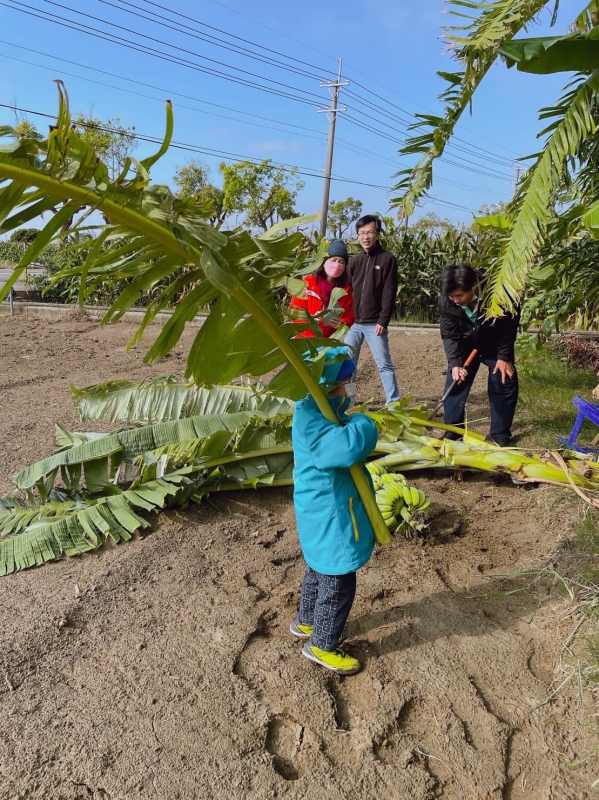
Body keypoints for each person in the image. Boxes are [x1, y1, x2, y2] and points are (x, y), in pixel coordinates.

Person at [291, 347, 378, 675]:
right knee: (338, 584)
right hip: (333, 521)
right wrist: (363, 424)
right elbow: (346, 447)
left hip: (317, 519)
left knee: (316, 570)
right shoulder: (316, 422)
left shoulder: (309, 411)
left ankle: (306, 621)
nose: (350, 392)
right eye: (346, 386)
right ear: (327, 389)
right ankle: (321, 645)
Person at [438, 263, 520, 446]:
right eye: (451, 296)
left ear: (473, 286)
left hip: (495, 342)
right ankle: (454, 432)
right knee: (456, 381)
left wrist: (504, 357)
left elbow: (509, 325)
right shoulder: (447, 300)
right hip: (465, 344)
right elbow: (450, 334)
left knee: (504, 379)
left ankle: (501, 435)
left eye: (459, 295)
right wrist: (455, 363)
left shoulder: (498, 291)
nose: (455, 300)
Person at [345, 214, 400, 405]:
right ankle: (349, 400)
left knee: (384, 364)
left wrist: (383, 320)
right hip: (353, 324)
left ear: (377, 234)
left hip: (374, 323)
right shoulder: (354, 261)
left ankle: (393, 403)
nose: (365, 237)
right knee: (347, 365)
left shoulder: (387, 259)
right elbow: (346, 290)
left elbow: (389, 292)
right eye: (361, 233)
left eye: (369, 232)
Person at [289, 239, 354, 338]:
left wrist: (342, 323)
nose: (337, 265)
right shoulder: (306, 284)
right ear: (324, 262)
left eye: (341, 262)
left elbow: (350, 314)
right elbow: (294, 312)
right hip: (304, 340)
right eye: (333, 260)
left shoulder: (345, 290)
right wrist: (310, 320)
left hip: (328, 342)